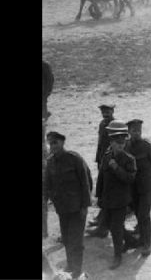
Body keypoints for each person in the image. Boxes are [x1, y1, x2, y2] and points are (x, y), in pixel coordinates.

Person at [45, 131, 92, 279]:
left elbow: (86, 183)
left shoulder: (74, 158)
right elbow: (47, 184)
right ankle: (70, 266)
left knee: (76, 241)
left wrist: (85, 206)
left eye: (55, 143)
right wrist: (46, 199)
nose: (52, 146)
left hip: (77, 208)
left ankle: (77, 270)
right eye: (50, 143)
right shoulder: (50, 161)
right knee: (66, 239)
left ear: (62, 143)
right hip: (62, 208)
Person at [96, 120, 137, 269]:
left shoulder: (129, 160)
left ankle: (117, 256)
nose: (120, 146)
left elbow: (130, 178)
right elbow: (101, 178)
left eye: (122, 144)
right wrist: (99, 196)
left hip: (120, 200)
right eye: (117, 144)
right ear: (111, 143)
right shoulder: (106, 156)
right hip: (107, 198)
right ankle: (131, 241)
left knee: (116, 228)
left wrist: (116, 167)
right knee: (107, 224)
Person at [123, 119, 151, 256]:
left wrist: (146, 172)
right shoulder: (126, 146)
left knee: (144, 214)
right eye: (134, 131)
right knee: (138, 212)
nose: (137, 133)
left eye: (139, 130)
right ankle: (141, 237)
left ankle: (147, 243)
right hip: (133, 186)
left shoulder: (148, 145)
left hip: (145, 185)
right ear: (129, 132)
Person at [86, 103, 115, 236]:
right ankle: (101, 217)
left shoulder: (116, 124)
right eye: (103, 111)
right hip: (102, 160)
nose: (105, 113)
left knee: (108, 191)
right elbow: (99, 143)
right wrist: (98, 160)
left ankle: (103, 222)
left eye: (107, 111)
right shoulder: (102, 123)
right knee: (102, 189)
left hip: (111, 161)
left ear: (112, 111)